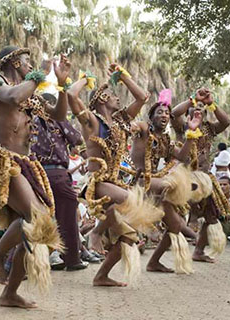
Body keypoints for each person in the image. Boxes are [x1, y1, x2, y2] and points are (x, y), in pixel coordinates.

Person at [0, 45, 71, 308]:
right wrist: (39, 75)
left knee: (36, 228)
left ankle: (10, 293)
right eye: (26, 61)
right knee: (36, 218)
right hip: (5, 161)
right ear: (13, 62)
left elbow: (59, 115)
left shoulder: (31, 94)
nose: (30, 65)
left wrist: (62, 84)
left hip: (27, 164)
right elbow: (12, 98)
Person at [68, 64, 163, 286]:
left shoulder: (120, 121)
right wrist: (86, 78)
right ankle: (95, 233)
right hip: (96, 182)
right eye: (112, 95)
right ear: (101, 98)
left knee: (128, 238)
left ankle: (101, 276)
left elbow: (142, 97)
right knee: (131, 200)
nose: (118, 99)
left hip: (115, 182)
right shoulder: (91, 120)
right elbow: (72, 94)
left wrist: (124, 77)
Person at [126, 89, 202, 274]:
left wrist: (191, 133)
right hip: (140, 183)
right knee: (168, 184)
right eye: (159, 112)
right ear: (151, 117)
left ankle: (153, 262)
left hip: (158, 185)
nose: (165, 115)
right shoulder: (144, 129)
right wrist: (192, 100)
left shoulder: (166, 140)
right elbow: (133, 126)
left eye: (167, 114)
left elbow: (183, 157)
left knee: (175, 225)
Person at [171, 87, 230, 263]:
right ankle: (170, 250)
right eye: (194, 109)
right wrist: (193, 99)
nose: (198, 111)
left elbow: (226, 122)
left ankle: (198, 250)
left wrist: (211, 103)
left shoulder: (209, 128)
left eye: (201, 110)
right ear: (188, 112)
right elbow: (174, 113)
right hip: (186, 176)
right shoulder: (182, 127)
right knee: (178, 216)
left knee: (212, 214)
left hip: (204, 177)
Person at [31, 92, 87, 271]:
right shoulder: (57, 119)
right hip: (58, 175)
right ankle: (72, 260)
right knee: (67, 218)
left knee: (41, 218)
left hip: (36, 175)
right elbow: (77, 138)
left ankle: (40, 260)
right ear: (51, 105)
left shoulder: (28, 120)